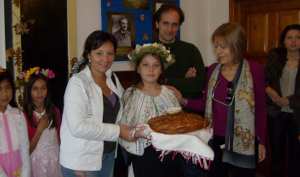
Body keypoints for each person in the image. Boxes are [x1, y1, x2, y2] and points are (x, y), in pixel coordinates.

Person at [177, 23, 267, 177]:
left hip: (244, 140)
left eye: (222, 47)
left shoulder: (254, 69)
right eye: (216, 46)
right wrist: (183, 100)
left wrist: (262, 142)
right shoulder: (212, 70)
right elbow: (205, 103)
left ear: (236, 46)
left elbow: (260, 108)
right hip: (216, 138)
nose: (217, 51)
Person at [59, 30, 142, 177]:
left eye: (110, 53)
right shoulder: (78, 83)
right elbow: (78, 127)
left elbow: (125, 107)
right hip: (82, 162)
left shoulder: (112, 78)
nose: (105, 59)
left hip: (108, 155)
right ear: (88, 55)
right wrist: (119, 131)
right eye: (99, 53)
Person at [118, 42, 180, 177]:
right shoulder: (131, 94)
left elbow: (178, 123)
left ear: (161, 69)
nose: (151, 70)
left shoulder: (169, 93)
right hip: (143, 156)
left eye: (156, 65)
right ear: (138, 68)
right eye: (145, 65)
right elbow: (123, 126)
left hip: (171, 154)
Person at [265, 24, 300, 177]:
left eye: (298, 37)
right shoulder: (275, 57)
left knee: (296, 156)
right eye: (289, 37)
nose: (294, 41)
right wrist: (271, 92)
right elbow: (263, 80)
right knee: (276, 155)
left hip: (297, 115)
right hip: (276, 113)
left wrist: (289, 101)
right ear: (283, 41)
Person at [154, 4, 205, 99]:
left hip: (188, 110)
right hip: (158, 110)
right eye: (165, 23)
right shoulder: (148, 51)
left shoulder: (191, 50)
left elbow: (199, 84)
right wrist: (184, 81)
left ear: (179, 26)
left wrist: (165, 81)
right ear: (157, 24)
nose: (170, 29)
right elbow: (146, 86)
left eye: (174, 24)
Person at [20, 67, 62, 177]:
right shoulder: (23, 116)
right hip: (35, 164)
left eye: (43, 88)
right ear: (29, 91)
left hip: (55, 161)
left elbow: (60, 139)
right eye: (35, 89)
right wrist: (39, 130)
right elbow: (25, 151)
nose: (40, 93)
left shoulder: (55, 111)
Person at [0, 70, 31, 177]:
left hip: (19, 169)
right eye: (0, 89)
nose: (4, 93)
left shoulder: (18, 114)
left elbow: (24, 146)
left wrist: (25, 173)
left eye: (8, 87)